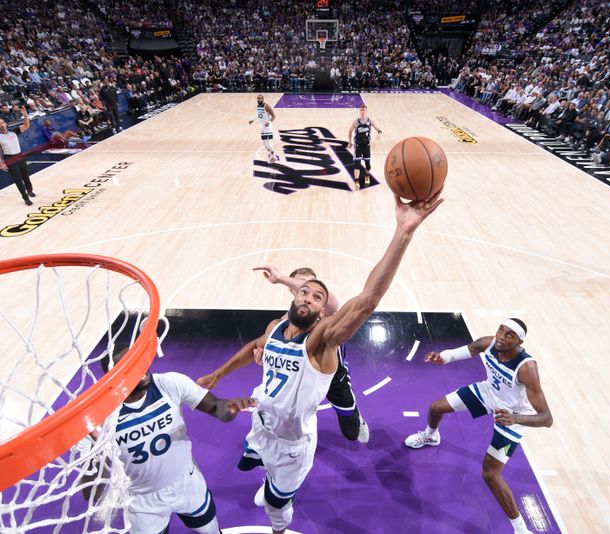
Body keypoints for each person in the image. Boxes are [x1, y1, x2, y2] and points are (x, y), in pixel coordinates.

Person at [203, 192, 442, 533]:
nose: (309, 297)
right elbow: (251, 347)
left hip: (292, 446)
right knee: (256, 456)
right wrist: (217, 374)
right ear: (293, 295)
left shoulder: (320, 340)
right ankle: (263, 465)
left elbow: (366, 302)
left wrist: (403, 233)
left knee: (275, 505)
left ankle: (278, 525)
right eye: (304, 291)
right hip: (261, 423)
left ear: (321, 311)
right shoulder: (274, 327)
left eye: (318, 297)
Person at [81, 344, 256, 534]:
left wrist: (229, 408)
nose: (139, 368)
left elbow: (216, 408)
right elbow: (91, 494)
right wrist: (97, 450)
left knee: (211, 531)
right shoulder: (97, 418)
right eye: (127, 366)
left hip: (187, 482)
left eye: (137, 360)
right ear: (111, 377)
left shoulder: (169, 383)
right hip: (141, 499)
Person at [404, 319, 552, 534]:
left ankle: (521, 529)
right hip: (487, 393)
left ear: (520, 341)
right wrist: (442, 357)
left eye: (510, 334)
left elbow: (546, 419)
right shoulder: (489, 343)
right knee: (435, 408)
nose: (502, 336)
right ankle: (431, 435)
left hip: (512, 416)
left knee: (490, 475)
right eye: (501, 329)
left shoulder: (527, 368)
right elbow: (467, 350)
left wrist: (515, 419)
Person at [198, 265, 370, 444]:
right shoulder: (280, 326)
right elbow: (255, 349)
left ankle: (355, 413)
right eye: (303, 286)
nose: (310, 292)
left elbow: (336, 304)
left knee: (351, 431)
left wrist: (280, 278)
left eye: (315, 288)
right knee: (284, 426)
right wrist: (263, 360)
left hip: (334, 380)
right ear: (293, 290)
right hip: (302, 384)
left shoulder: (327, 317)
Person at [0, 106, 34, 205]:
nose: (1, 125)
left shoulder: (14, 132)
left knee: (26, 177)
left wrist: (25, 115)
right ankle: (25, 198)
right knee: (18, 179)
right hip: (10, 159)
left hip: (20, 156)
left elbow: (26, 126)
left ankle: (30, 190)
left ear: (5, 124)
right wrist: (1, 164)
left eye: (2, 123)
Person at [347, 104, 382, 190]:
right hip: (358, 146)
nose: (362, 112)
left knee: (368, 165)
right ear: (360, 111)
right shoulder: (356, 122)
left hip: (366, 146)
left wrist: (379, 134)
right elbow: (350, 131)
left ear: (366, 111)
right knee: (357, 164)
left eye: (364, 110)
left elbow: (378, 129)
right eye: (361, 110)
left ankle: (367, 175)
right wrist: (350, 142)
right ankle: (356, 181)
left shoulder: (370, 121)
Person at [248, 94, 279, 163]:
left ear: (263, 99)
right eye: (258, 98)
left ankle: (274, 156)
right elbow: (257, 115)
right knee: (264, 142)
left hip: (268, 127)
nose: (259, 99)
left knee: (268, 142)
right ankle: (270, 153)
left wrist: (269, 122)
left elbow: (273, 116)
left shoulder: (266, 106)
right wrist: (252, 120)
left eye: (260, 98)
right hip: (261, 126)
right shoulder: (257, 107)